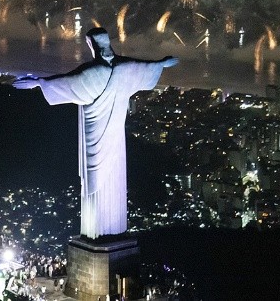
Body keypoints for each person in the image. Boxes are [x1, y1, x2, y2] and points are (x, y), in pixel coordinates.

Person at [14, 28, 178, 239]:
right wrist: (162, 63)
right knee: (111, 178)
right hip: (116, 136)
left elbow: (66, 83)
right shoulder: (126, 67)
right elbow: (146, 67)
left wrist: (38, 82)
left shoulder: (92, 73)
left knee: (96, 180)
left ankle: (98, 233)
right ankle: (110, 230)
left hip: (96, 135)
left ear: (91, 45)